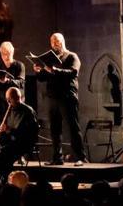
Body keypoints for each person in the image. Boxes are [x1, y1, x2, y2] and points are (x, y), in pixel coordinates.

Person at [33, 33, 85, 165]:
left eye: (57, 42)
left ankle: (79, 157)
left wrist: (55, 70)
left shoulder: (72, 56)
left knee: (73, 127)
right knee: (55, 129)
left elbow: (74, 72)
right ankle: (57, 158)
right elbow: (42, 78)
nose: (54, 44)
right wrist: (38, 71)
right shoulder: (50, 60)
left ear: (62, 41)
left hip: (67, 96)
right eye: (52, 42)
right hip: (53, 97)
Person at [0, 87, 40, 179]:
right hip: (10, 141)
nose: (9, 103)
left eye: (10, 100)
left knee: (4, 153)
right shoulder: (10, 110)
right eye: (8, 100)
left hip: (23, 143)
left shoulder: (28, 112)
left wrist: (9, 130)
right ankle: (2, 174)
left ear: (18, 98)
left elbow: (30, 134)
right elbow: (6, 129)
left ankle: (5, 176)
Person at [0, 42, 25, 133]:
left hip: (14, 102)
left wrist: (8, 81)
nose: (6, 56)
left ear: (12, 53)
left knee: (13, 128)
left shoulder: (19, 65)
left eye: (8, 53)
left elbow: (21, 83)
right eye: (3, 54)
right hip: (1, 101)